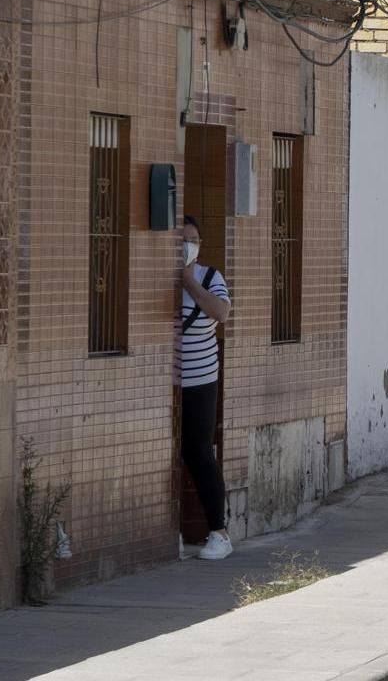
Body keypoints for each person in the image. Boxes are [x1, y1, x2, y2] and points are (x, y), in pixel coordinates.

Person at [178, 217, 233, 560]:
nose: (188, 245)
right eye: (183, 239)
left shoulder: (210, 278)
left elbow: (222, 312)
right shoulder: (155, 277)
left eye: (194, 239)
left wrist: (188, 281)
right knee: (173, 453)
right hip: (167, 383)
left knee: (199, 452)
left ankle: (219, 532)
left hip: (201, 380)